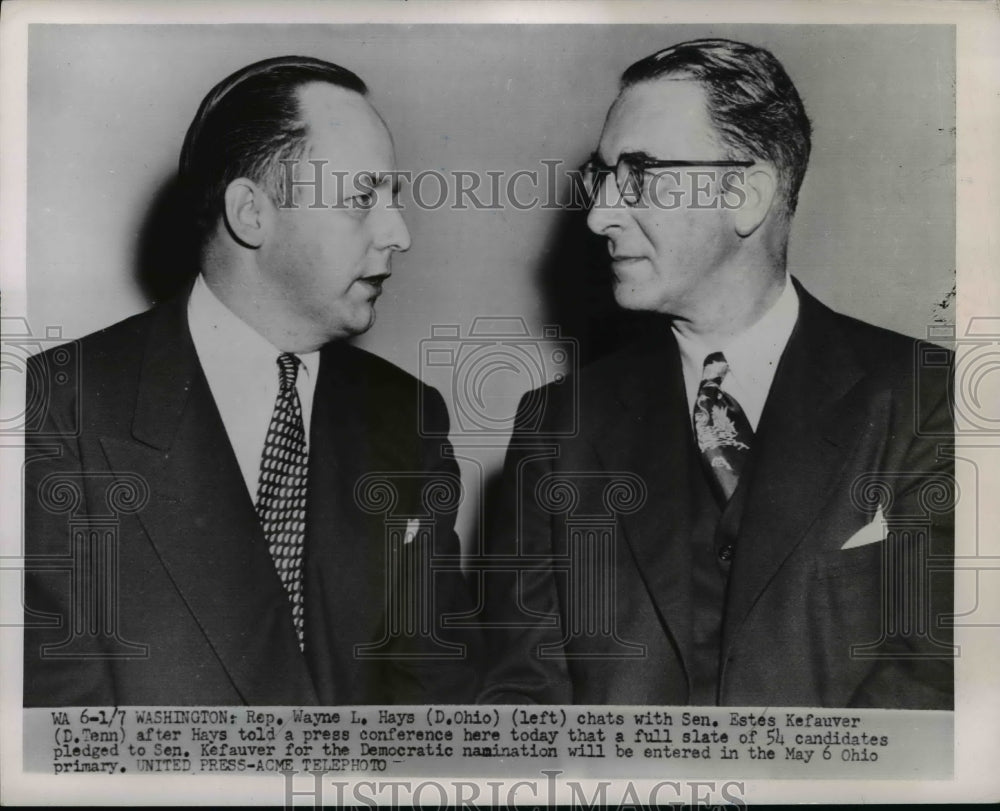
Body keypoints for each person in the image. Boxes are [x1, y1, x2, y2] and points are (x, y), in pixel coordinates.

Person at [478, 39, 954, 708]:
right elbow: (523, 700)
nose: (599, 214)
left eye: (639, 175)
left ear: (746, 194)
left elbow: (936, 686)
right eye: (602, 175)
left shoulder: (928, 397)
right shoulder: (557, 426)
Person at [24, 56, 478, 706]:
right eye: (361, 198)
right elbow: (58, 741)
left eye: (394, 197)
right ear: (251, 213)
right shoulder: (59, 409)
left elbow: (435, 700)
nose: (398, 233)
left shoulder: (407, 417)